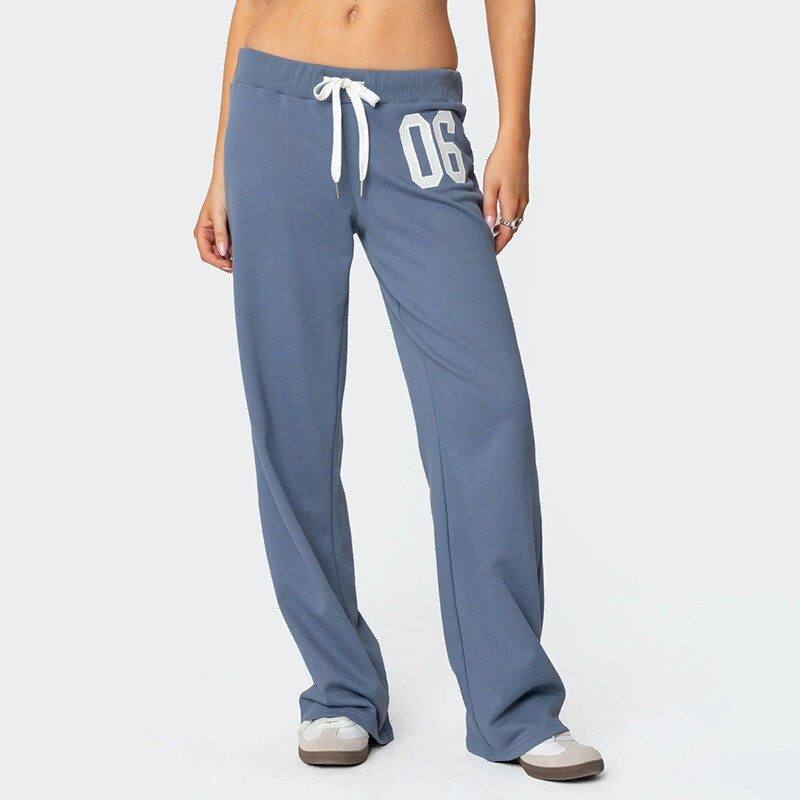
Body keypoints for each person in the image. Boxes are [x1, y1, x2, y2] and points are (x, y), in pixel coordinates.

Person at [194, 0, 603, 782]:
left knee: (487, 409)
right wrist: (219, 167)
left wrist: (514, 131)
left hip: (417, 119)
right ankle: (340, 690)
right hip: (274, 115)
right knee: (292, 411)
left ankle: (514, 704)